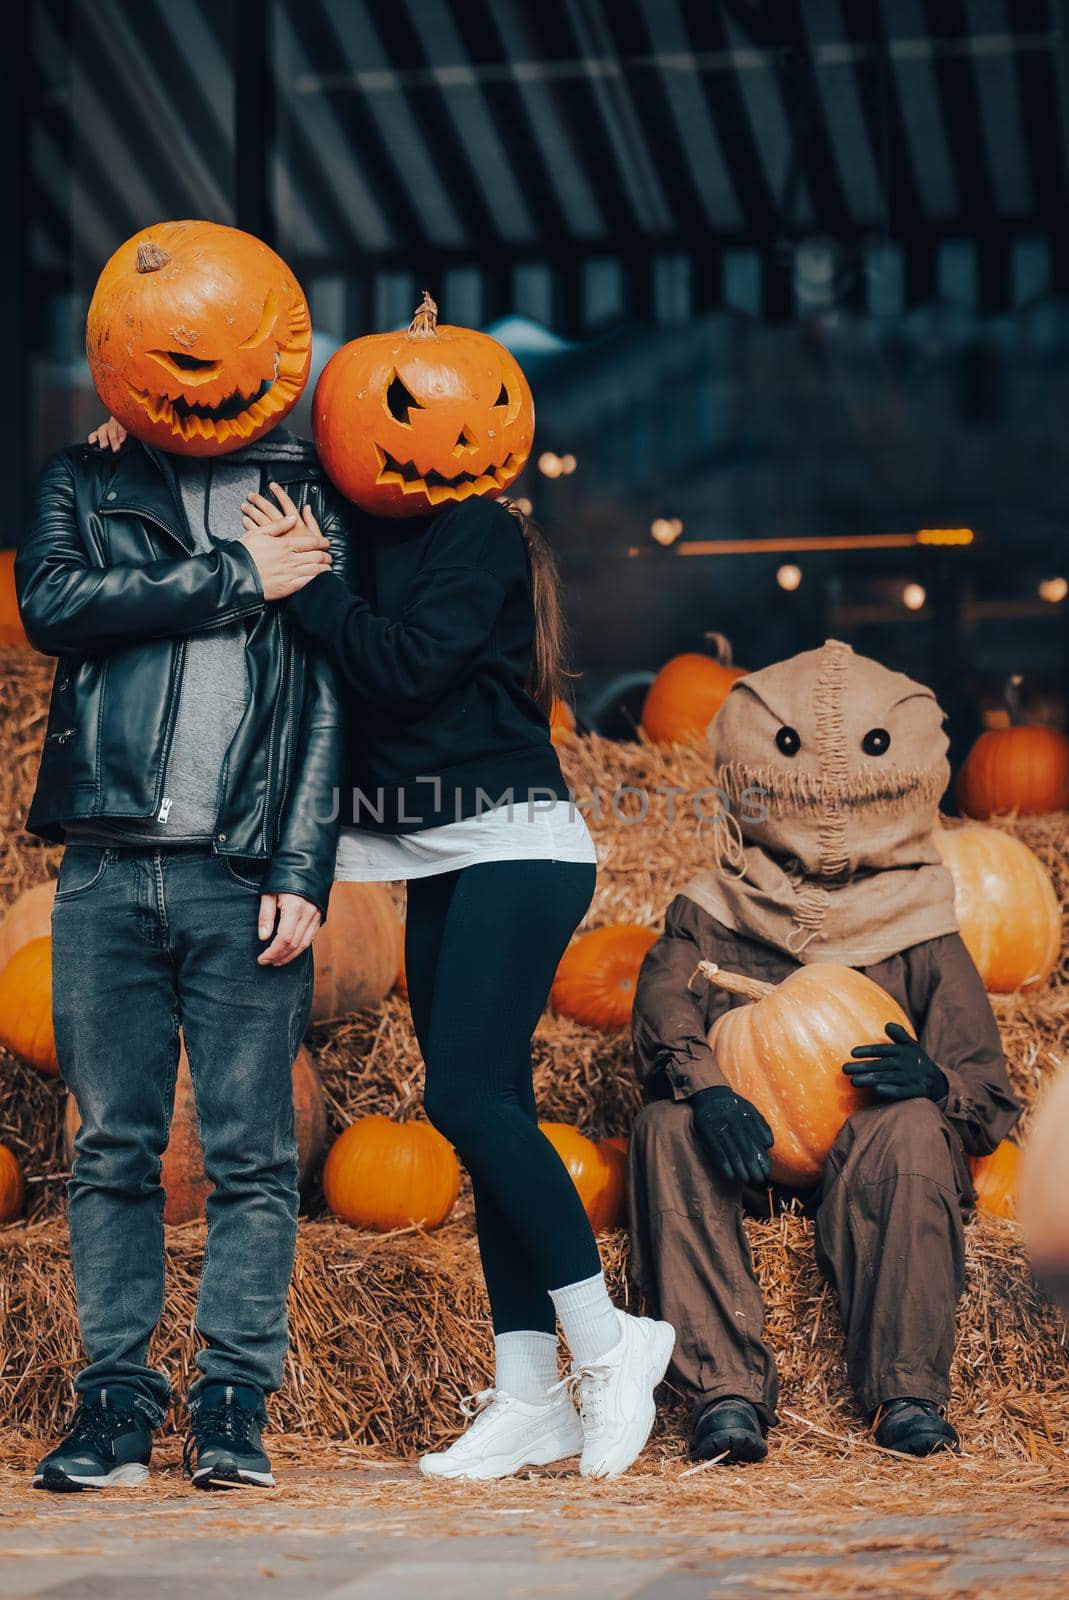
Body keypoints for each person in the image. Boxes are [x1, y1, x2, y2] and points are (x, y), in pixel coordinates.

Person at [238, 478, 675, 1481]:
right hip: (438, 852)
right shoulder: (351, 527)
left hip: (518, 841)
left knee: (464, 1096)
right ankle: (528, 1394)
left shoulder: (474, 528)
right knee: (492, 1115)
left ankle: (610, 1343)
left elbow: (407, 666)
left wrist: (309, 589)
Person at [18, 380, 347, 1491]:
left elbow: (321, 691)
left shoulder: (307, 488)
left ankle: (230, 1406)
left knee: (253, 1158)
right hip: (105, 860)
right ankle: (114, 1407)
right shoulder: (90, 473)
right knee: (112, 1147)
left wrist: (305, 865)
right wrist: (238, 577)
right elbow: (54, 604)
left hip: (241, 867)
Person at [629, 640, 1019, 1463]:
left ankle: (905, 1394)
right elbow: (663, 1008)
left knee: (913, 1126)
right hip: (749, 1161)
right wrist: (705, 1090)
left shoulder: (922, 924)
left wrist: (935, 1081)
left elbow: (986, 1096)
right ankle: (723, 1393)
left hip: (870, 1164)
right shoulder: (711, 908)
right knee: (662, 1129)